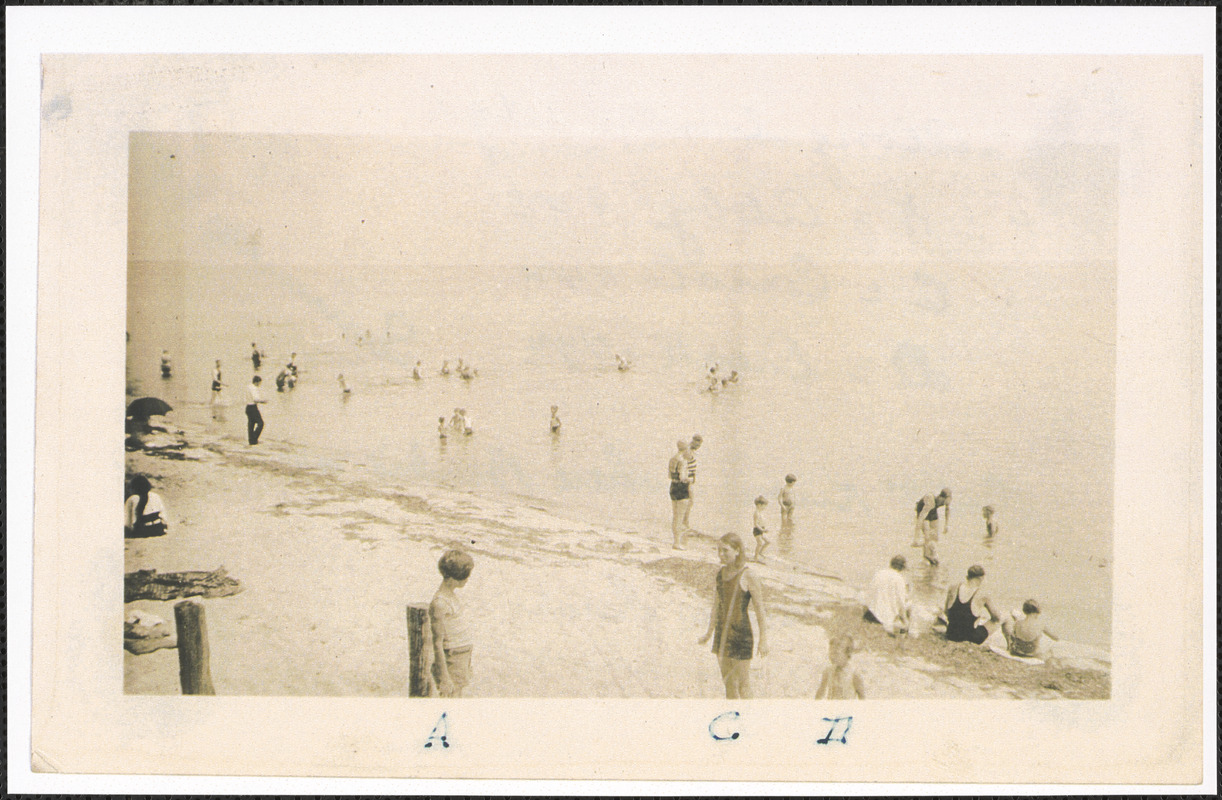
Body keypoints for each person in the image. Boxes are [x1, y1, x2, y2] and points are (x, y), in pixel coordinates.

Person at [699, 533, 769, 699]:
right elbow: (716, 606)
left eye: (725, 550)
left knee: (744, 685)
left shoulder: (749, 575)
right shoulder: (720, 573)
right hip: (722, 634)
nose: (721, 554)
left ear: (737, 551)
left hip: (741, 634)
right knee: (728, 684)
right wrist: (709, 633)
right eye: (718, 550)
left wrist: (763, 639)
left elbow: (760, 610)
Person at [429, 549, 475, 698]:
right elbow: (437, 643)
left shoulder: (450, 596)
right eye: (465, 576)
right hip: (452, 657)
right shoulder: (440, 603)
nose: (467, 579)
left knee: (458, 694)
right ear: (454, 577)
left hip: (461, 656)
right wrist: (444, 677)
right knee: (451, 697)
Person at [943, 564, 1002, 645]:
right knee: (1000, 620)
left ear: (968, 576)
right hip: (969, 638)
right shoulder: (983, 594)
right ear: (981, 578)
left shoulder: (953, 587)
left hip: (950, 634)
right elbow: (997, 618)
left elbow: (946, 612)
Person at [864, 555, 910, 635]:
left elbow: (869, 593)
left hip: (871, 613)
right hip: (885, 617)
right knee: (909, 603)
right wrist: (906, 622)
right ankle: (902, 630)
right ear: (902, 568)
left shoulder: (879, 573)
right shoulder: (899, 579)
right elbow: (901, 603)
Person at [816, 634, 866, 699]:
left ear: (848, 653)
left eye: (836, 653)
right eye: (830, 653)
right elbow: (820, 692)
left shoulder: (854, 674)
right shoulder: (828, 671)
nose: (832, 657)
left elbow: (862, 697)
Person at [913, 488, 951, 564]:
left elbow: (947, 510)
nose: (944, 504)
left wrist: (946, 525)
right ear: (941, 497)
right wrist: (916, 538)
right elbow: (920, 520)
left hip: (933, 511)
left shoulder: (946, 500)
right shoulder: (931, 500)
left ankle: (933, 555)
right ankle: (926, 557)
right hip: (923, 510)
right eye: (944, 502)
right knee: (927, 536)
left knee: (934, 537)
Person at [668, 440, 692, 549]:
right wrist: (690, 479)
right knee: (680, 516)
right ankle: (677, 542)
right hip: (682, 488)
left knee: (675, 514)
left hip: (673, 486)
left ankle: (675, 540)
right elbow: (683, 478)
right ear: (685, 449)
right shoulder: (682, 461)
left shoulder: (672, 459)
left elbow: (670, 475)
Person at [682, 434, 702, 533]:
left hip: (690, 480)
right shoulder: (688, 451)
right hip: (687, 480)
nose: (698, 447)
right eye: (697, 444)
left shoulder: (691, 451)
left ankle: (685, 522)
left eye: (699, 445)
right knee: (689, 502)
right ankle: (685, 523)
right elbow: (684, 466)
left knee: (689, 502)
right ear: (693, 441)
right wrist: (687, 478)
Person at [244, 375, 267, 444]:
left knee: (251, 424)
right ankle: (254, 438)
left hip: (248, 407)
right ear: (256, 382)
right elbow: (256, 399)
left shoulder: (248, 386)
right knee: (261, 423)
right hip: (253, 407)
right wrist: (263, 401)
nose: (259, 385)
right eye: (259, 383)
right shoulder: (254, 388)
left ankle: (251, 440)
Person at [751, 496, 770, 562]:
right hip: (757, 530)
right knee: (759, 543)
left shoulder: (760, 512)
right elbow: (756, 524)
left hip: (761, 529)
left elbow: (761, 522)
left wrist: (765, 528)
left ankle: (760, 552)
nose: (765, 508)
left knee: (768, 542)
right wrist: (762, 530)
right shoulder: (756, 513)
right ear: (759, 505)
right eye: (764, 506)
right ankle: (755, 557)